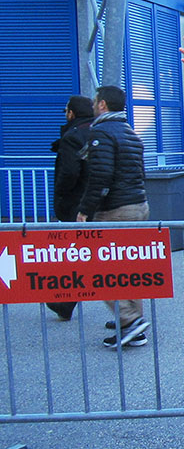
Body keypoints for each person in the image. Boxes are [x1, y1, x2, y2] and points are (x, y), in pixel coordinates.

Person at [76, 85, 150, 349]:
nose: (94, 105)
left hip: (115, 209)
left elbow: (101, 176)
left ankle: (129, 319)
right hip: (137, 205)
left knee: (100, 267)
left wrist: (85, 209)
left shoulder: (102, 132)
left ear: (103, 104)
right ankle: (134, 324)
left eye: (96, 101)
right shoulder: (130, 132)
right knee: (128, 266)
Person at [47, 95, 93, 321]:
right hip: (98, 201)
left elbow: (70, 173)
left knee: (75, 253)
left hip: (77, 203)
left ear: (71, 113)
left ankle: (65, 301)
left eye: (66, 110)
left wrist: (62, 195)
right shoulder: (98, 131)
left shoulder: (72, 137)